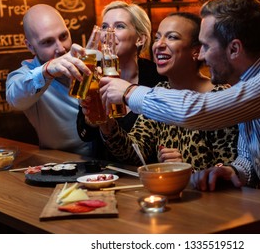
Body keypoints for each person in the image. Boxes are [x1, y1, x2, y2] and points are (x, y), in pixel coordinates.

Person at [99, 0, 260, 227]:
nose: (202, 55)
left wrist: (129, 91)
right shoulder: (249, 86)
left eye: (205, 46)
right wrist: (234, 171)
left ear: (234, 49)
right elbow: (250, 156)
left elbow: (200, 110)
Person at [97, 12, 238, 169]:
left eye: (172, 37)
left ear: (196, 51)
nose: (159, 45)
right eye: (157, 38)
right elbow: (135, 153)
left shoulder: (219, 97)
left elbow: (230, 170)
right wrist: (106, 124)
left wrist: (186, 168)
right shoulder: (161, 91)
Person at [77, 1, 166, 161]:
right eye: (104, 27)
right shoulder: (92, 72)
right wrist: (92, 119)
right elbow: (84, 135)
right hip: (102, 173)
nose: (108, 33)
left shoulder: (157, 77)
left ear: (140, 39)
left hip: (146, 172)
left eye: (119, 26)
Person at [6, 4, 92, 156]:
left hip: (109, 162)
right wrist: (47, 71)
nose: (61, 48)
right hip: (61, 165)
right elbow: (14, 98)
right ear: (31, 47)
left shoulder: (87, 60)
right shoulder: (28, 74)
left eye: (63, 36)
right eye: (47, 42)